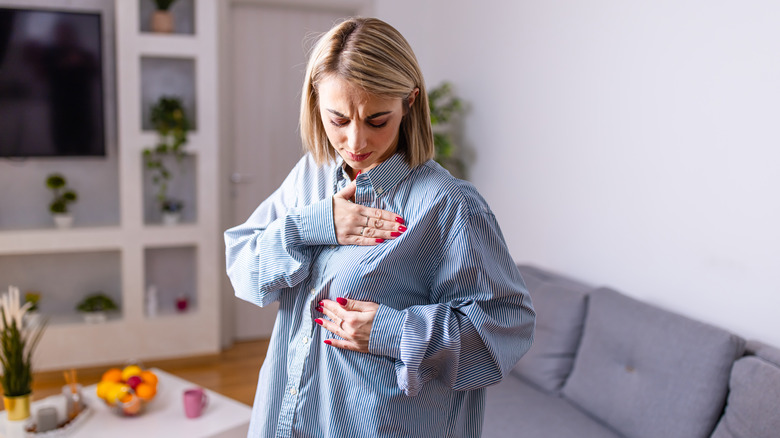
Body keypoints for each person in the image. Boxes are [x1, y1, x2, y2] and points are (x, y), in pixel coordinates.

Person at [225, 17, 535, 438]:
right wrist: (310, 226)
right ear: (316, 101)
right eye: (337, 120)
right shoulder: (310, 177)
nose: (355, 142)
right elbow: (244, 272)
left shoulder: (449, 206)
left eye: (376, 120)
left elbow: (506, 328)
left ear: (409, 102)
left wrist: (393, 331)